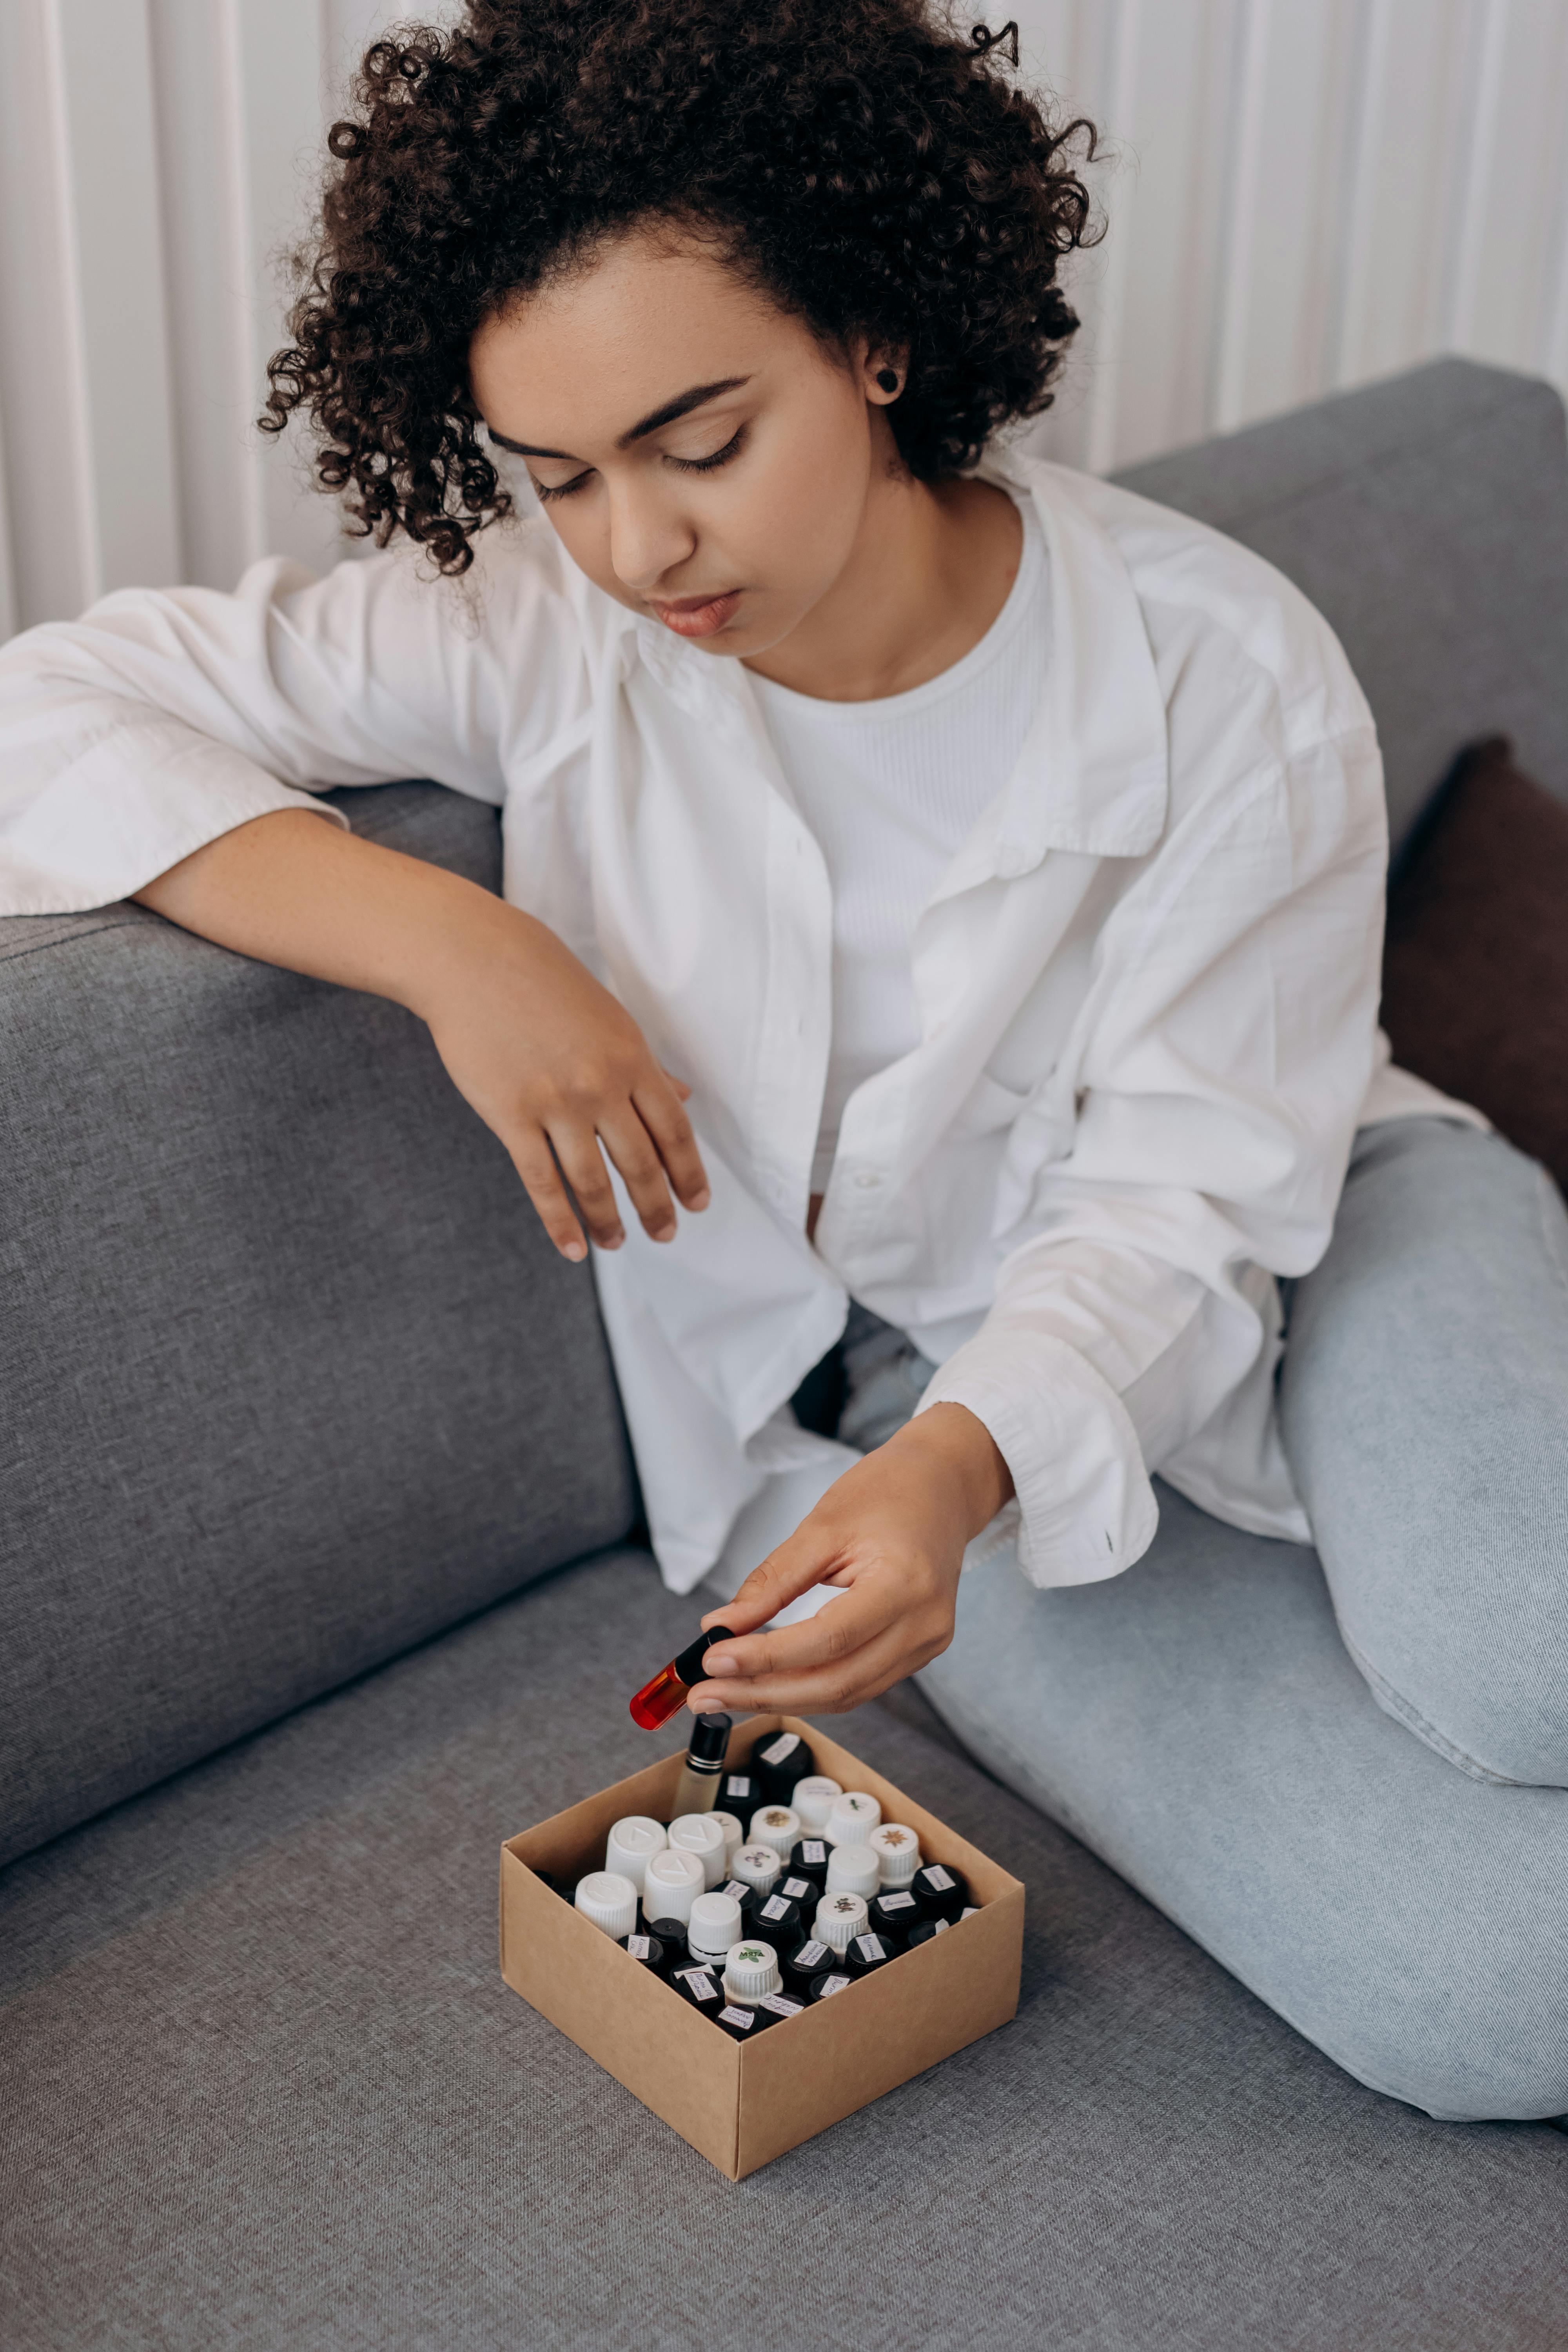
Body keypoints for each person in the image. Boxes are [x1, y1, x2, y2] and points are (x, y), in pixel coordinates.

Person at [2, 0, 1564, 2123]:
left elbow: (1191, 1197)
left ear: (875, 338)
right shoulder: (538, 635)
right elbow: (41, 713)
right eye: (559, 475)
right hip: (889, 1419)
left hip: (1325, 1211)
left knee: (1533, 1638)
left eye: (702, 441)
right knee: (1496, 1998)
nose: (637, 548)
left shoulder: (1226, 668)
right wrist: (458, 944)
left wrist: (960, 1471)